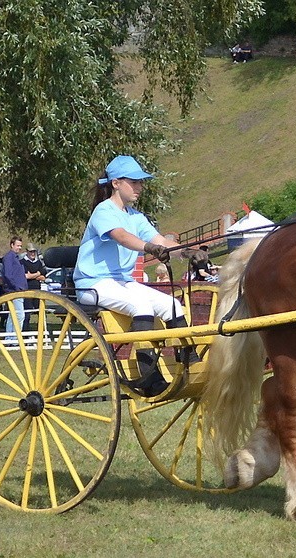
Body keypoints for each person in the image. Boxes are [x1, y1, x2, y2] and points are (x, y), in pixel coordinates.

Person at [73, 155, 207, 396]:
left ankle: (191, 363)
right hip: (94, 283)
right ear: (116, 183)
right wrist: (148, 248)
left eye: (141, 183)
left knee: (172, 306)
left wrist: (188, 252)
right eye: (134, 182)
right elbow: (122, 237)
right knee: (143, 305)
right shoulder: (104, 211)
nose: (140, 187)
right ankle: (147, 376)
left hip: (122, 282)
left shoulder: (136, 216)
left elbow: (161, 241)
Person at [2, 236, 28, 337]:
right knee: (20, 315)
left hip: (18, 289)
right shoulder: (9, 257)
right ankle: (15, 338)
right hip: (14, 290)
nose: (19, 248)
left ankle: (9, 338)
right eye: (17, 245)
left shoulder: (17, 258)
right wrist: (16, 287)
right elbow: (8, 274)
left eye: (20, 246)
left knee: (12, 315)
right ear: (12, 245)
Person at [21, 243, 47, 330]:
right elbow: (26, 276)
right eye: (31, 251)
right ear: (27, 252)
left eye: (34, 251)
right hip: (27, 290)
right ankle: (25, 332)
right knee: (27, 313)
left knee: (40, 311)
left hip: (37, 289)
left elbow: (43, 277)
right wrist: (38, 274)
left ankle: (41, 331)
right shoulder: (23, 262)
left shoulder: (38, 262)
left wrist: (33, 275)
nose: (32, 253)